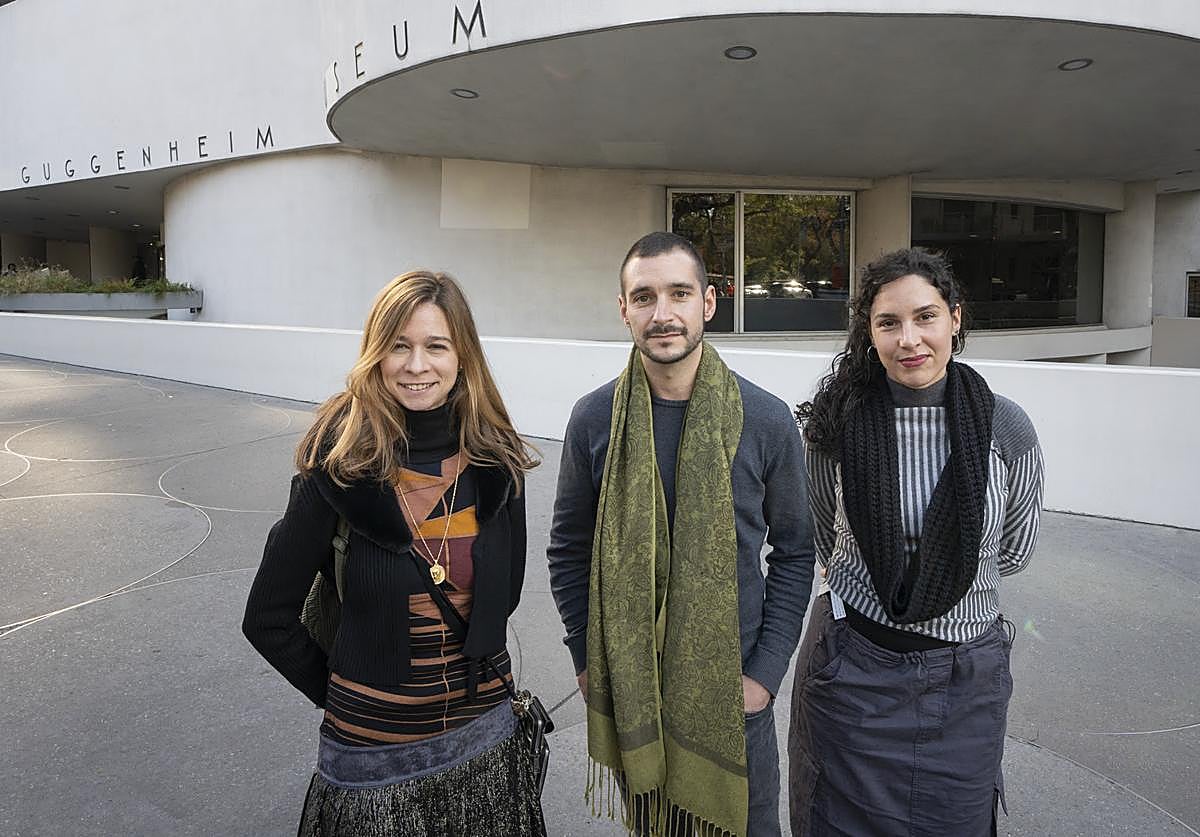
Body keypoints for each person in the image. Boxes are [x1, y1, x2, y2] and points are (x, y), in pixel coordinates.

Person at [242, 270, 544, 836]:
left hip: (486, 746)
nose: (416, 365)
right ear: (376, 354)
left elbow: (502, 599)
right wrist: (344, 698)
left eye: (436, 346)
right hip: (372, 762)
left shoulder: (496, 463)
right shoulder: (336, 465)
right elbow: (266, 618)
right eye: (398, 346)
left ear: (463, 356)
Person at [548, 231, 815, 837]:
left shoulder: (766, 419)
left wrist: (765, 676)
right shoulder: (595, 418)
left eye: (679, 294)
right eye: (643, 297)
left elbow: (797, 552)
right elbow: (568, 548)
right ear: (624, 309)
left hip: (733, 695)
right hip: (634, 690)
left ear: (709, 303)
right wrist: (587, 658)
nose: (662, 314)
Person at [788, 248, 1045, 836]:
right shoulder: (835, 427)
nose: (910, 339)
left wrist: (943, 572)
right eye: (889, 323)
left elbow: (1014, 550)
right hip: (852, 671)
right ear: (869, 333)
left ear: (955, 318)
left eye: (925, 317)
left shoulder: (1007, 428)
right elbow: (827, 539)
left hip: (964, 682)